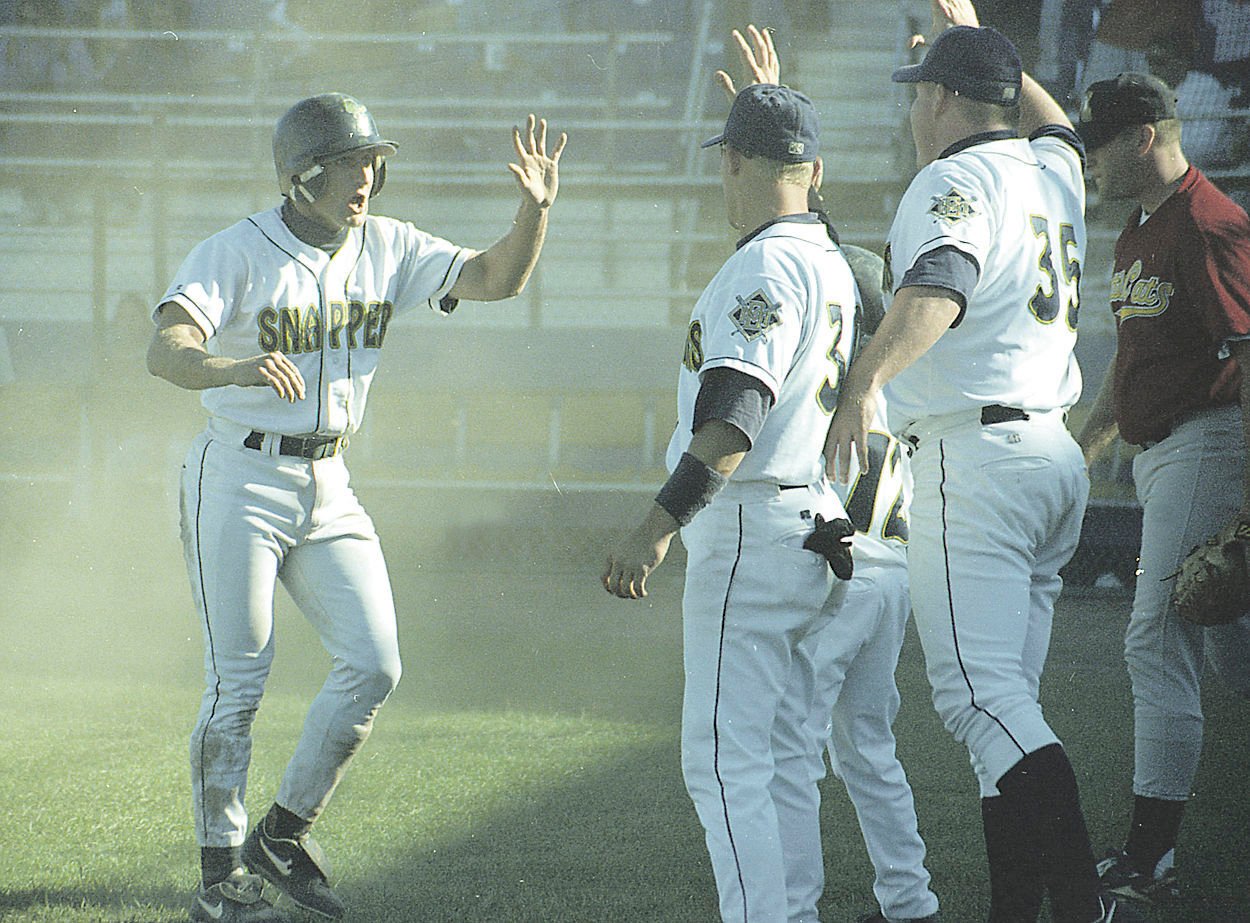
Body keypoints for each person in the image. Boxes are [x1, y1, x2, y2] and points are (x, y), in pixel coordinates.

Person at [146, 93, 564, 923]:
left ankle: (282, 831)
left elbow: (495, 278)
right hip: (238, 476)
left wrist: (532, 211)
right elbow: (166, 348)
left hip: (329, 481)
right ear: (302, 174)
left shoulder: (389, 244)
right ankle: (220, 874)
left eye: (372, 160)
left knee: (375, 663)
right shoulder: (235, 251)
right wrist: (231, 369)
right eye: (349, 162)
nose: (366, 176)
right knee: (240, 679)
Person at [824, 1, 1142, 920]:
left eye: (921, 90)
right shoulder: (1051, 169)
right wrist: (993, 52)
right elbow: (1059, 128)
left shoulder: (951, 178)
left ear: (944, 101)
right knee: (1004, 708)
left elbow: (941, 286)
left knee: (978, 700)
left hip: (979, 461)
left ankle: (1082, 906)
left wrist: (864, 382)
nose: (911, 107)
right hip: (1050, 456)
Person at [601, 76, 860, 922]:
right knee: (786, 755)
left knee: (723, 762)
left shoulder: (765, 262)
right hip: (812, 519)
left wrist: (656, 524)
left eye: (727, 160)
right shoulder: (829, 255)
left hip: (752, 524)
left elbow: (733, 418)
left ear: (738, 161)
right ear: (813, 170)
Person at [1075, 71, 1250, 907]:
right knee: (1232, 650)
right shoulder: (1139, 229)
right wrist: (1084, 442)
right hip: (1163, 455)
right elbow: (1133, 358)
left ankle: (1151, 857)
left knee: (1156, 637)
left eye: (1099, 141)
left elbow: (1248, 356)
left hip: (1206, 446)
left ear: (1142, 137)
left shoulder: (1211, 222)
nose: (1090, 160)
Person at [805, 245, 941, 923]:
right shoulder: (902, 382)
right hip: (892, 573)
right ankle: (910, 901)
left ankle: (785, 903)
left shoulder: (830, 378)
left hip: (841, 576)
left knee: (788, 747)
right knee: (867, 746)